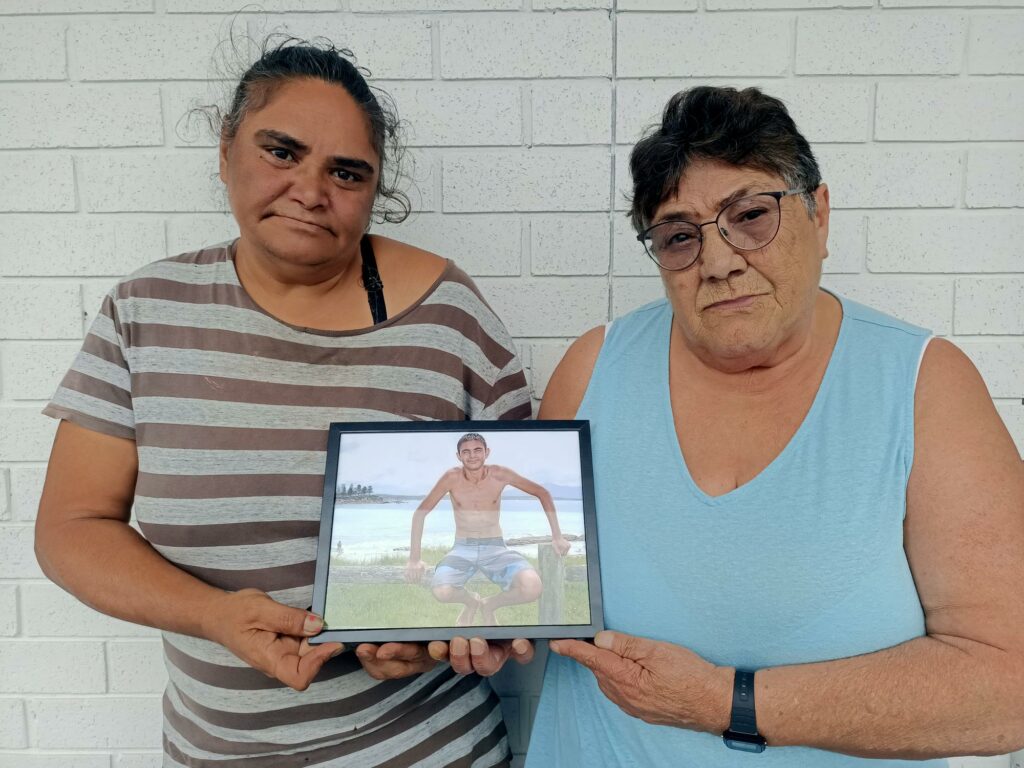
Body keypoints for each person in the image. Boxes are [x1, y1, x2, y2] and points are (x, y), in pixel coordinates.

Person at [34, 38, 533, 768]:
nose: (310, 189)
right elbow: (70, 528)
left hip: (430, 750)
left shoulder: (449, 316)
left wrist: (435, 641)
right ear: (226, 148)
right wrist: (212, 615)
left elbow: (518, 531)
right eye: (282, 152)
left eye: (346, 171)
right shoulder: (144, 312)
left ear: (374, 187)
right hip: (216, 753)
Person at [522, 86, 1024, 766]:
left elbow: (1009, 685)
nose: (720, 261)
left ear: (819, 213)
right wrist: (443, 628)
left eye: (750, 215)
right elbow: (535, 592)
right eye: (679, 236)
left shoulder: (923, 385)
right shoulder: (592, 370)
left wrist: (725, 703)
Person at [404, 432, 571, 626]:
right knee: (442, 591)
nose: (472, 455)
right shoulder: (451, 477)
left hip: (496, 548)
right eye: (466, 452)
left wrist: (557, 536)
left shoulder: (500, 474)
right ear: (458, 456)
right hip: (462, 548)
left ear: (487, 452)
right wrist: (414, 559)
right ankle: (471, 602)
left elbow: (542, 493)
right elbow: (420, 513)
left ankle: (490, 604)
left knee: (532, 587)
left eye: (477, 450)